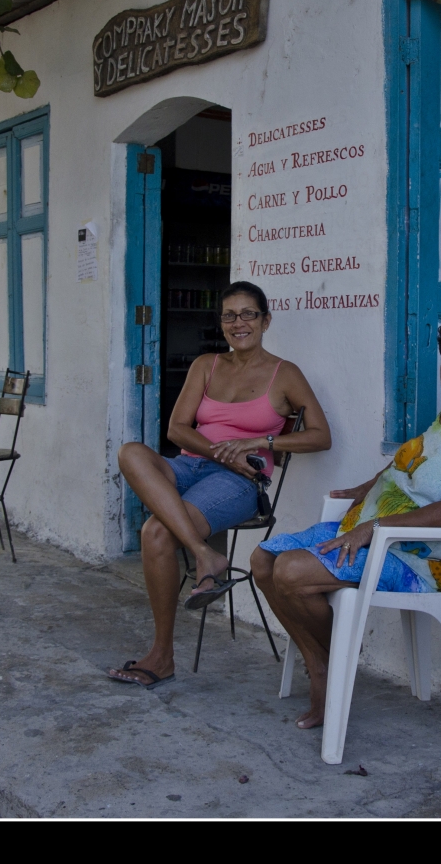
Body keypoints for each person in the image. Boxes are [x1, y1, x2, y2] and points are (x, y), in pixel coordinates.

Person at [251, 311, 441, 729]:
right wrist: (368, 487)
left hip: (415, 556)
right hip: (371, 532)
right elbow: (414, 465)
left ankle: (333, 668)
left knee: (291, 571)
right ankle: (322, 661)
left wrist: (373, 528)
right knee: (263, 561)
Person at [110, 281, 331, 689]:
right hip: (193, 466)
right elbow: (178, 429)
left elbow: (320, 436)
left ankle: (161, 656)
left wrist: (259, 442)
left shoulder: (285, 374)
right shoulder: (206, 365)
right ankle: (203, 555)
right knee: (130, 452)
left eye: (248, 314)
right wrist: (217, 450)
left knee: (156, 531)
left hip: (241, 480)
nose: (238, 323)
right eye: (229, 315)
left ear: (266, 320)